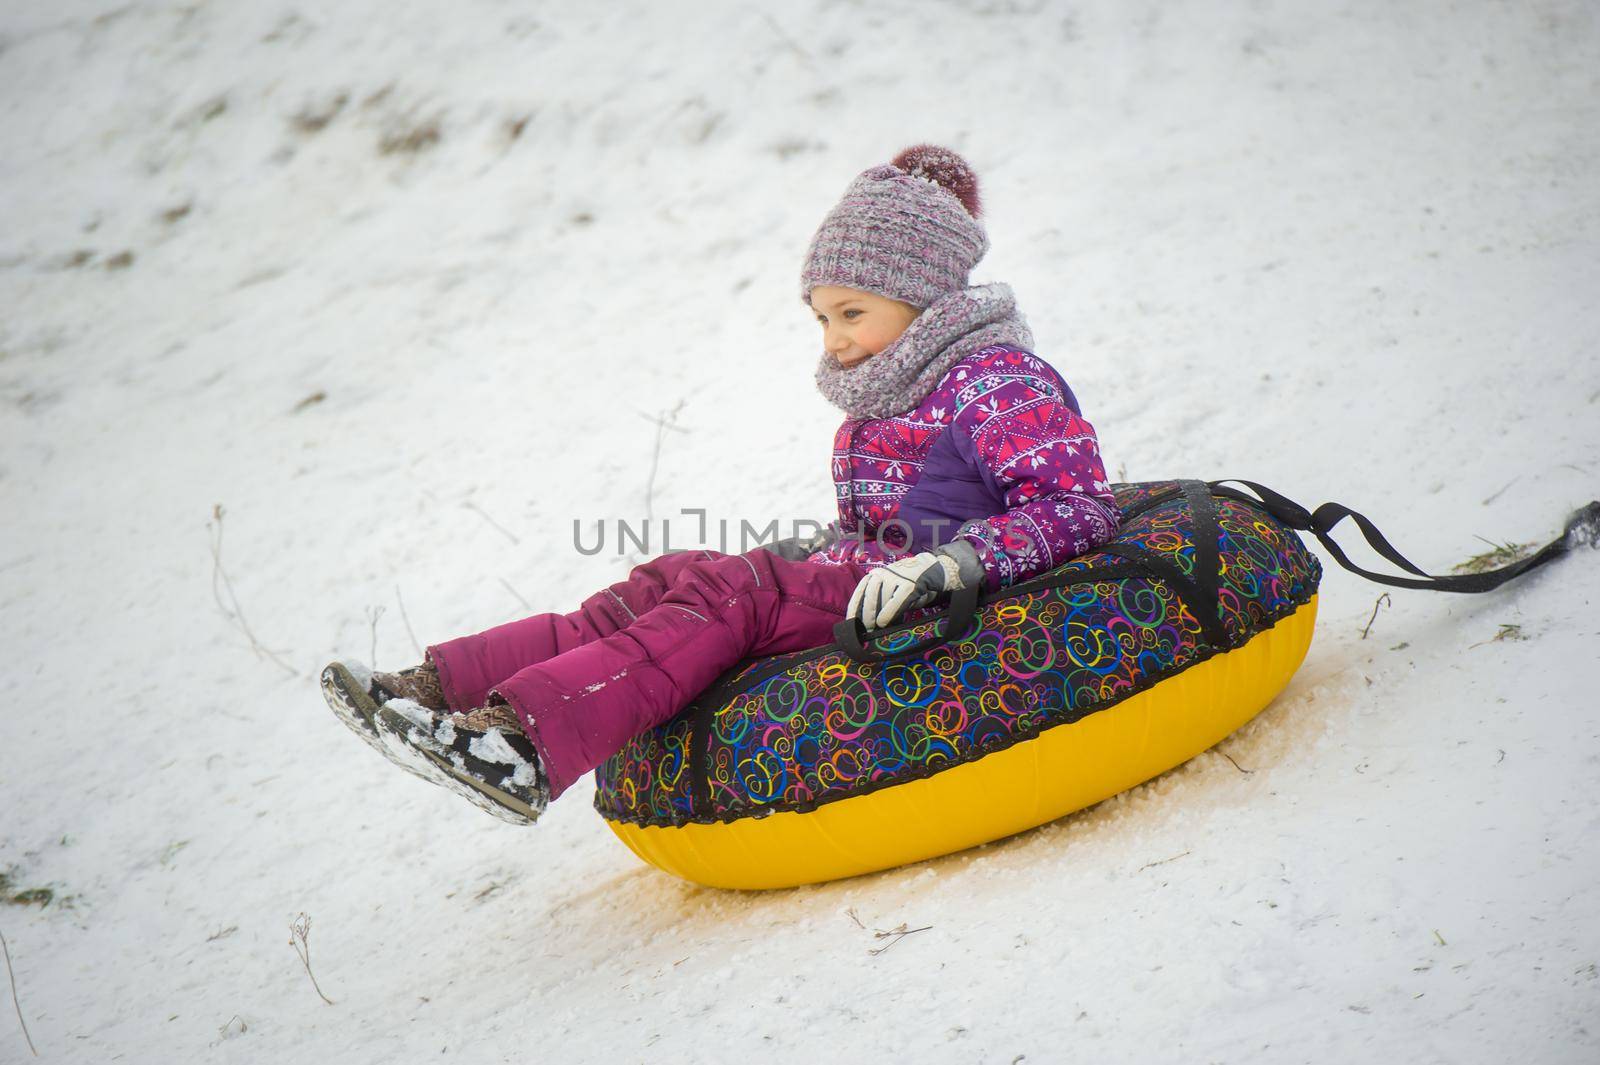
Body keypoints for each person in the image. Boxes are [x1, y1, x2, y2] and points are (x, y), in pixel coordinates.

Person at [320, 144, 1120, 826]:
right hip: (881, 577)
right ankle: (445, 691)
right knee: (672, 576)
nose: (835, 340)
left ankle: (525, 748)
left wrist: (955, 563)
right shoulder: (898, 383)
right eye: (821, 319)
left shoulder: (998, 383)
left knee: (741, 590)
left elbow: (1077, 503)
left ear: (928, 297)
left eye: (851, 312)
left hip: (939, 595)